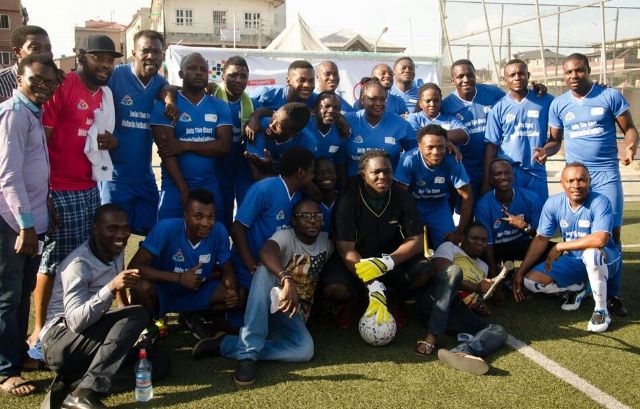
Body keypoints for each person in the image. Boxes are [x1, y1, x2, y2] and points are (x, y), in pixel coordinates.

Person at [31, 34, 122, 347]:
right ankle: (40, 331)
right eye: (99, 57)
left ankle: (76, 318)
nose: (106, 64)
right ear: (82, 57)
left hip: (89, 186)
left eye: (110, 59)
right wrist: (45, 193)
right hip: (58, 187)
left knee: (81, 257)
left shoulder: (104, 94)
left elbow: (103, 139)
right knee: (53, 261)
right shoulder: (64, 86)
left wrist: (113, 142)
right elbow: (41, 142)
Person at [537, 53, 637, 316]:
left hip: (606, 175)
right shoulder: (559, 105)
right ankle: (583, 281)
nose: (573, 76)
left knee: (611, 235)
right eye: (568, 72)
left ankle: (612, 294)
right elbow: (555, 140)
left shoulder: (609, 96)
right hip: (576, 177)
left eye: (579, 71)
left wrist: (630, 146)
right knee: (580, 233)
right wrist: (545, 151)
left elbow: (629, 128)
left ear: (588, 70)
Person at [196, 200, 333, 386]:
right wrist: (287, 279)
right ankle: (247, 355)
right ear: (293, 220)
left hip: (296, 317)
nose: (312, 221)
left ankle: (226, 344)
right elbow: (267, 251)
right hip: (275, 306)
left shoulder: (327, 243)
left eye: (317, 216)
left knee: (305, 351)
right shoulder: (286, 236)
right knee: (264, 270)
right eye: (305, 216)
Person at [39, 204, 149, 409]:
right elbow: (76, 322)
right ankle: (85, 392)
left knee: (155, 362)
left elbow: (117, 309)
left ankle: (71, 384)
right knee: (138, 314)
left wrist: (131, 334)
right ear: (96, 229)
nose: (122, 235)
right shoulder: (79, 264)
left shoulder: (115, 250)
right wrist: (111, 287)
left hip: (88, 334)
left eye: (125, 229)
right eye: (113, 228)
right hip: (60, 341)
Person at [0, 54, 58, 397]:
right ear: (19, 77)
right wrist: (25, 226)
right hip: (12, 222)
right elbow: (8, 176)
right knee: (8, 297)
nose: (44, 87)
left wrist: (44, 205)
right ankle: (6, 370)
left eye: (50, 82)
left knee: (22, 292)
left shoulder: (33, 113)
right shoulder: (13, 113)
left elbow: (33, 167)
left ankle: (19, 354)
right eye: (37, 79)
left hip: (33, 219)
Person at [324, 150, 433, 327]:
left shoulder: (403, 197)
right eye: (376, 172)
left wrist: (387, 262)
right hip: (357, 263)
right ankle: (351, 302)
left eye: (387, 171)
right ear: (363, 174)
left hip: (391, 259)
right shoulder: (348, 199)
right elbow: (346, 250)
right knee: (335, 289)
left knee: (425, 271)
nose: (383, 176)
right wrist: (372, 285)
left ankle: (394, 299)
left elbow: (416, 241)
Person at [513, 163, 622, 333]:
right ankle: (579, 287)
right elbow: (541, 238)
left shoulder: (600, 201)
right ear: (562, 183)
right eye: (570, 180)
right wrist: (520, 272)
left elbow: (600, 239)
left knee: (592, 254)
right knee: (531, 281)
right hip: (574, 260)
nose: (576, 185)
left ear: (589, 181)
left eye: (581, 180)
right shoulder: (554, 203)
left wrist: (561, 245)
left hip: (606, 258)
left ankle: (601, 310)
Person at [129, 189, 242, 334]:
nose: (206, 223)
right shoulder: (165, 228)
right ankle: (149, 324)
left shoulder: (219, 231)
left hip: (198, 291)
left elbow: (228, 269)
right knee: (140, 287)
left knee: (239, 296)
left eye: (211, 217)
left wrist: (231, 288)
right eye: (198, 216)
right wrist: (179, 278)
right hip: (164, 291)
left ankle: (195, 315)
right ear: (185, 216)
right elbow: (134, 267)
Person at [100, 30, 175, 235]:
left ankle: (141, 269)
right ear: (134, 52)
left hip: (144, 177)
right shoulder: (115, 76)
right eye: (146, 50)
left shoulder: (160, 84)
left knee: (151, 235)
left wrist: (170, 98)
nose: (151, 56)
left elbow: (174, 89)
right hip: (114, 178)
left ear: (163, 55)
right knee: (111, 238)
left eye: (157, 52)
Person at [414, 222, 508, 375]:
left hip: (457, 310)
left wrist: (478, 303)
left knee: (498, 330)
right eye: (474, 238)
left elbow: (472, 296)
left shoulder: (483, 267)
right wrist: (477, 287)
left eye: (484, 240)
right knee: (455, 271)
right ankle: (430, 338)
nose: (480, 243)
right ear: (463, 237)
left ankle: (461, 352)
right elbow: (442, 273)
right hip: (434, 302)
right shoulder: (449, 248)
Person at [150, 52, 233, 220]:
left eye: (203, 69)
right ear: (181, 74)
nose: (198, 73)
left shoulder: (219, 106)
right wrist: (183, 189)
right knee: (169, 235)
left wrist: (185, 146)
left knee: (212, 234)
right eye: (192, 68)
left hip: (208, 185)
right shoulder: (166, 105)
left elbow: (223, 146)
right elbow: (167, 152)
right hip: (174, 186)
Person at [230, 146, 316, 291]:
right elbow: (237, 228)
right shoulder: (264, 189)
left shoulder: (298, 195)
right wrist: (251, 265)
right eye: (312, 172)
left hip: (275, 266)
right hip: (249, 267)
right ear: (301, 172)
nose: (314, 177)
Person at [482, 59, 554, 200]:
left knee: (538, 215)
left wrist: (546, 150)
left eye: (521, 73)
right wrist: (486, 181)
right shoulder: (498, 107)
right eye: (512, 75)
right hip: (509, 172)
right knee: (511, 214)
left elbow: (555, 138)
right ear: (505, 79)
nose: (517, 78)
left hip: (536, 170)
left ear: (528, 75)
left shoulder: (546, 100)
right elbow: (491, 145)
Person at [395, 124, 473, 249]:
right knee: (411, 246)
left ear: (446, 145)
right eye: (430, 147)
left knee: (448, 246)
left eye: (440, 147)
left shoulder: (452, 159)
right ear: (420, 146)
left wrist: (458, 231)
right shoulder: (409, 160)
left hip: (438, 206)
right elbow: (399, 195)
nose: (436, 152)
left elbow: (467, 196)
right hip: (414, 206)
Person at [441, 59, 506, 199]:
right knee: (467, 208)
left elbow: (515, 101)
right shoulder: (446, 104)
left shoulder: (493, 92)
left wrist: (537, 91)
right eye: (460, 77)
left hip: (494, 163)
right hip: (465, 166)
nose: (466, 80)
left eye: (470, 75)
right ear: (453, 80)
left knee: (492, 209)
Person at [475, 159, 551, 277]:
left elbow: (540, 237)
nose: (504, 177)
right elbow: (487, 244)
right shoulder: (483, 205)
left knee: (553, 249)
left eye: (507, 173)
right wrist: (495, 280)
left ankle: (530, 274)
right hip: (496, 248)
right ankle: (498, 275)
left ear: (513, 176)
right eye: (498, 174)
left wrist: (525, 226)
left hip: (522, 244)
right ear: (490, 179)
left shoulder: (532, 198)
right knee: (477, 253)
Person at [212, 56, 255, 230]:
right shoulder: (212, 96)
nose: (238, 80)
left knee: (246, 204)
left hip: (239, 158)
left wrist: (256, 118)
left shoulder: (251, 101)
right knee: (221, 206)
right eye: (233, 75)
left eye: (243, 76)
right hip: (217, 159)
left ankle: (239, 248)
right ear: (223, 76)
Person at [344, 77, 415, 176]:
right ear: (362, 100)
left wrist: (401, 175)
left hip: (386, 184)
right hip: (354, 185)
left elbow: (414, 153)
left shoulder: (400, 124)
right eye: (373, 99)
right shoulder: (349, 120)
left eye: (382, 99)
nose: (378, 103)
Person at [245, 102, 317, 179]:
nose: (271, 125)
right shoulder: (260, 125)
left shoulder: (308, 143)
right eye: (273, 117)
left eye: (278, 126)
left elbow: (296, 180)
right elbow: (257, 176)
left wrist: (270, 167)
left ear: (293, 133)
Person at [245, 60, 315, 137]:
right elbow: (246, 112)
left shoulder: (316, 100)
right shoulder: (265, 94)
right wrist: (254, 118)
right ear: (288, 80)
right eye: (301, 80)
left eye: (311, 81)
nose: (307, 85)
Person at [0, 25, 53, 101]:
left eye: (48, 48)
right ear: (18, 52)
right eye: (35, 48)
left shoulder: (55, 85)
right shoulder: (2, 84)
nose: (44, 54)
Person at [315, 158, 338, 233]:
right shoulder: (308, 202)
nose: (326, 175)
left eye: (330, 172)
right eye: (320, 173)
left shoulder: (346, 200)